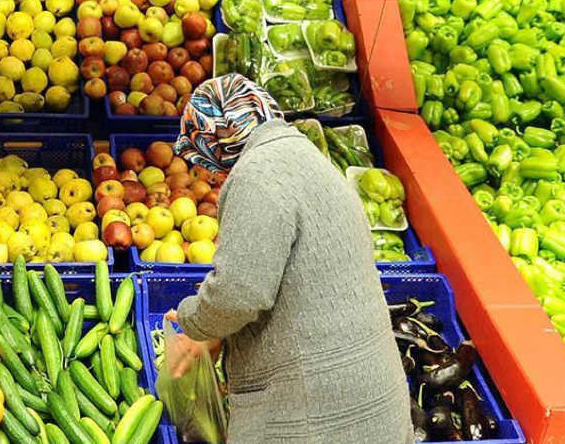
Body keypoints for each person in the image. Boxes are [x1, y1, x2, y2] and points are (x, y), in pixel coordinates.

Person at [164, 74, 413, 444]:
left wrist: (195, 321)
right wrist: (219, 331)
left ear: (215, 142)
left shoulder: (256, 176)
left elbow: (238, 293)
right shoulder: (307, 158)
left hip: (316, 419)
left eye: (205, 160)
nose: (212, 175)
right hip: (376, 404)